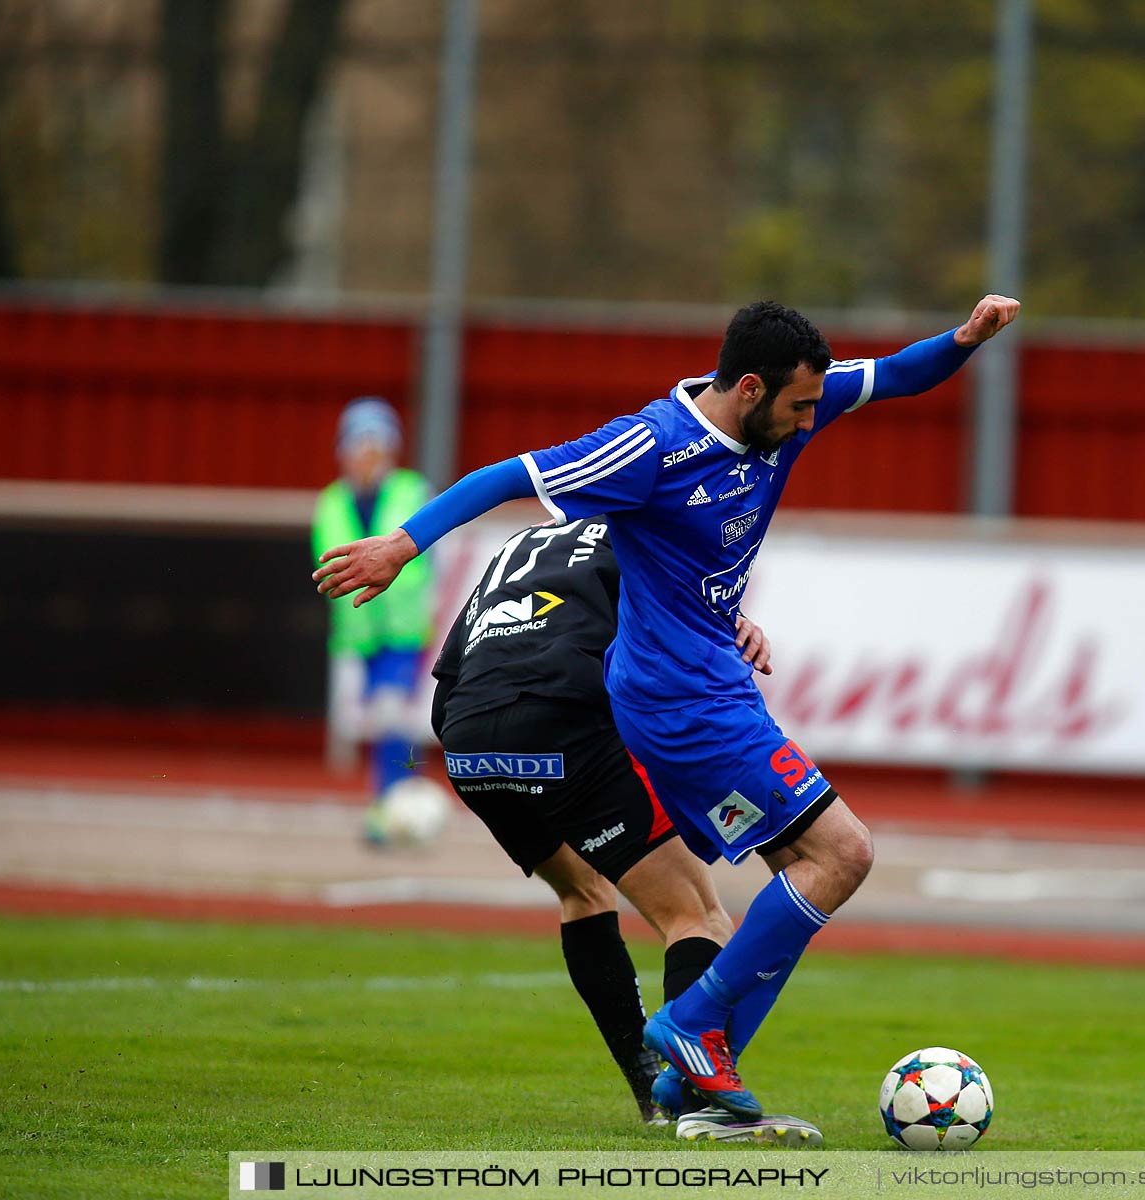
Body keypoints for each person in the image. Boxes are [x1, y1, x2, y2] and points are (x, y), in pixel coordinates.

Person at [315, 295, 1020, 1127]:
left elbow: (902, 374)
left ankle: (696, 1090)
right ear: (751, 389)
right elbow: (508, 475)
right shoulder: (649, 446)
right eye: (797, 408)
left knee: (800, 870)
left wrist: (965, 340)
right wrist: (403, 544)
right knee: (843, 852)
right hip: (679, 698)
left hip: (703, 683)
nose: (808, 424)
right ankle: (690, 1027)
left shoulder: (798, 397)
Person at [429, 515, 819, 1144]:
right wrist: (739, 628)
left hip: (467, 740)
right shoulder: (647, 536)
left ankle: (648, 1087)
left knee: (583, 891)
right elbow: (676, 650)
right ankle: (699, 1101)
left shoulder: (523, 541)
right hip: (558, 719)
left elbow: (449, 679)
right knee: (695, 914)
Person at [311, 397, 436, 839]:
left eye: (377, 445)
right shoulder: (331, 502)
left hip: (404, 632)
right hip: (362, 634)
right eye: (360, 445)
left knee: (390, 713)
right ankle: (399, 797)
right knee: (386, 720)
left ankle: (389, 804)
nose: (368, 455)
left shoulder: (411, 490)